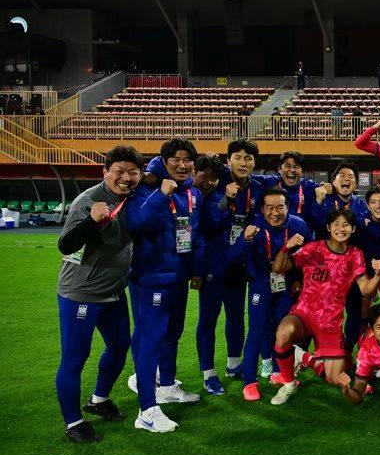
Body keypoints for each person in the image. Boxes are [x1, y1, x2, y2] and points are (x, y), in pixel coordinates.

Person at [55, 145, 144, 442]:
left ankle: (99, 400)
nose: (126, 177)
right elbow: (66, 246)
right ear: (105, 172)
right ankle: (73, 423)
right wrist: (91, 221)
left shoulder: (133, 196)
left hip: (115, 292)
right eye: (119, 171)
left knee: (120, 346)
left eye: (133, 172)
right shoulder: (88, 200)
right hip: (82, 294)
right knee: (74, 359)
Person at [124, 138, 206, 433]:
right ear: (164, 161)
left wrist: (195, 269)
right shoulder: (145, 188)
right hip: (151, 278)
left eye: (187, 160)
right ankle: (146, 410)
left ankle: (167, 386)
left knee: (173, 332)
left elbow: (193, 233)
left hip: (178, 277)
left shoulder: (191, 191)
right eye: (176, 159)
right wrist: (160, 193)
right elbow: (136, 224)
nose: (182, 165)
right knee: (151, 339)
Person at [269, 208, 380, 405]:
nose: (341, 228)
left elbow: (365, 290)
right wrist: (285, 248)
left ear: (353, 229)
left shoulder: (355, 255)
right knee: (284, 332)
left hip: (330, 324)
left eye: (346, 225)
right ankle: (288, 383)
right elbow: (278, 267)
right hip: (304, 314)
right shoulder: (313, 249)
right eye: (336, 224)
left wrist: (379, 274)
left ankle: (306, 358)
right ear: (329, 228)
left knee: (333, 378)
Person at [230, 188, 312, 400]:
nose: (275, 212)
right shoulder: (254, 227)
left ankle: (278, 372)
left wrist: (299, 282)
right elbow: (235, 259)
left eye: (280, 207)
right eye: (269, 208)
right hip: (260, 284)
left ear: (288, 207)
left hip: (285, 286)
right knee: (256, 332)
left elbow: (308, 258)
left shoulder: (298, 225)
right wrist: (245, 240)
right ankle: (249, 382)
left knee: (281, 331)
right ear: (262, 209)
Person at [196, 139, 267, 388]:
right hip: (213, 265)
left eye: (248, 158)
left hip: (238, 264)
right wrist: (225, 200)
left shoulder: (258, 187)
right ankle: (208, 374)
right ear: (228, 161)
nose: (243, 162)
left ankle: (234, 365)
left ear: (254, 163)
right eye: (238, 157)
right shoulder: (216, 183)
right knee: (208, 319)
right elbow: (207, 223)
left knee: (236, 317)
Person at [252, 151, 320, 225]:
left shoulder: (310, 186)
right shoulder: (269, 182)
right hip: (273, 233)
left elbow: (327, 189)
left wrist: (330, 188)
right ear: (279, 169)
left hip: (300, 232)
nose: (292, 170)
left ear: (302, 172)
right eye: (288, 166)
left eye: (296, 167)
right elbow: (248, 178)